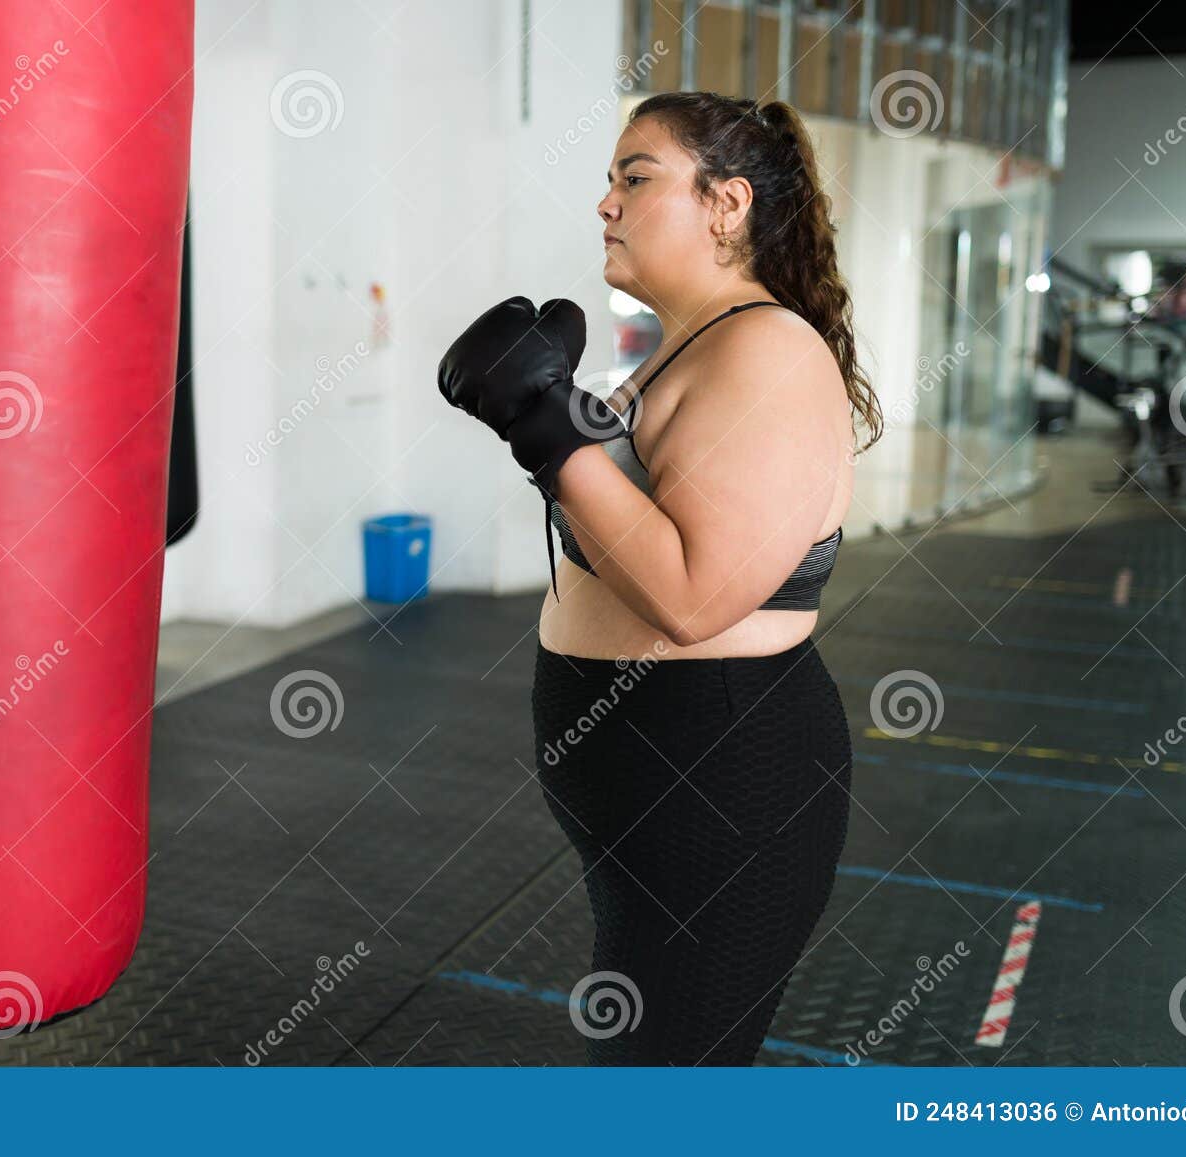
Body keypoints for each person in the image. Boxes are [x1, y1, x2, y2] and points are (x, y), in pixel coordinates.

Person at [437, 92, 883, 1064]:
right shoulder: (689, 349)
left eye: (634, 179)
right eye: (609, 180)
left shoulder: (766, 351)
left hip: (722, 777)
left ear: (725, 205)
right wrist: (564, 423)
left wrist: (545, 427)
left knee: (666, 1073)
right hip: (659, 787)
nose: (606, 203)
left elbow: (691, 596)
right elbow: (638, 522)